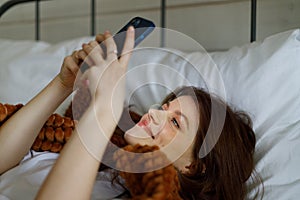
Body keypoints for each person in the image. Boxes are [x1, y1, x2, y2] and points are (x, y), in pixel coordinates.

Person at [0, 26, 261, 200]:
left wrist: (104, 109)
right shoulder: (96, 152)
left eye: (174, 122)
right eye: (166, 106)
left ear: (193, 166)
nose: (155, 112)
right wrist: (62, 84)